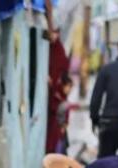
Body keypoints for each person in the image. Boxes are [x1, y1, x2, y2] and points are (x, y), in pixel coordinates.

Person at [46, 26, 71, 154]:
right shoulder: (46, 48)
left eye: (56, 32)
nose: (53, 35)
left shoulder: (59, 51)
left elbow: (64, 74)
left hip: (55, 99)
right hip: (47, 97)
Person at [50, 73, 74, 154]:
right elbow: (55, 109)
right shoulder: (56, 97)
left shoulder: (64, 99)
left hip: (61, 133)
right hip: (55, 132)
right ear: (62, 85)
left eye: (71, 87)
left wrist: (65, 125)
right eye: (68, 86)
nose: (69, 89)